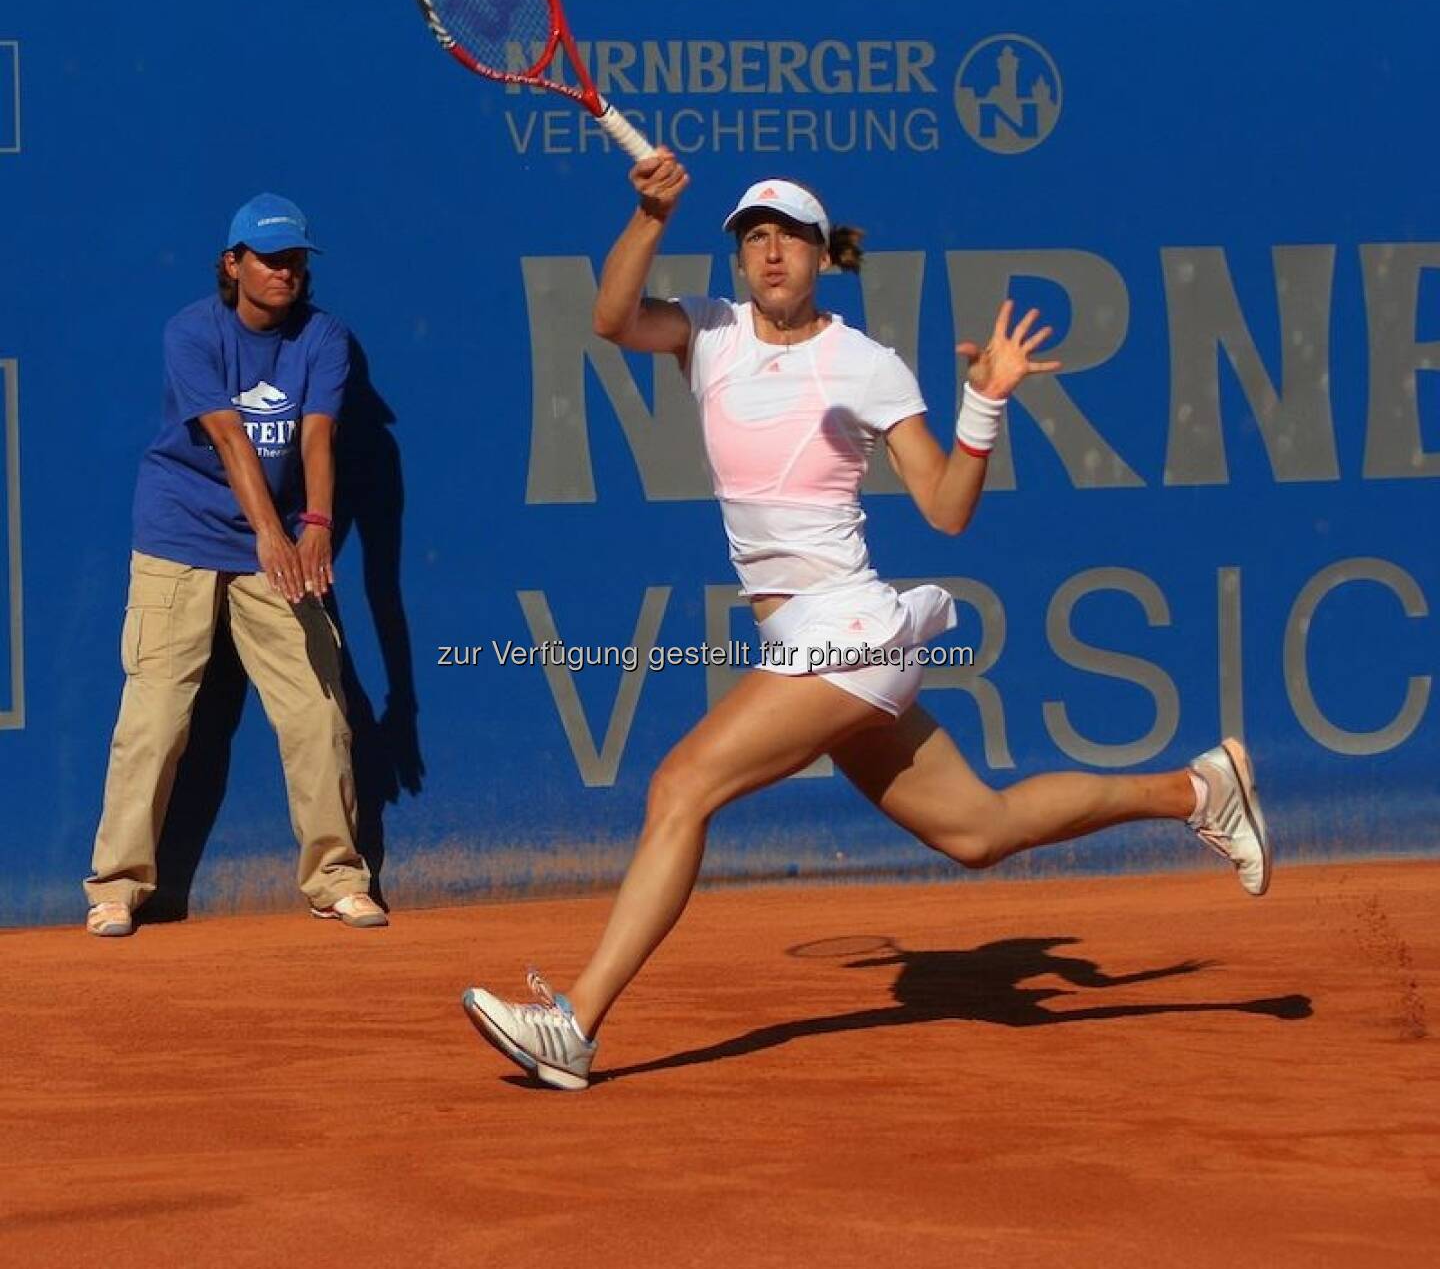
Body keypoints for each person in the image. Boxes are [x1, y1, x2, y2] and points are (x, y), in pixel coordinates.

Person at [461, 154, 1269, 1089]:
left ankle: (575, 1025)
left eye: (789, 238)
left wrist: (984, 403)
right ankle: (1198, 791)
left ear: (820, 255)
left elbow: (947, 508)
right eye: (753, 237)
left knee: (681, 787)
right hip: (808, 638)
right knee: (979, 831)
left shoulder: (865, 364)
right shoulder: (709, 334)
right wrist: (647, 218)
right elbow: (609, 319)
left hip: (846, 628)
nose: (770, 253)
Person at [83, 193, 387, 937]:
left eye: (295, 260)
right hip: (179, 538)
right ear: (234, 264)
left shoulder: (324, 338)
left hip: (276, 541)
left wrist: (314, 524)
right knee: (154, 718)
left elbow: (317, 440)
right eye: (270, 258)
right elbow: (228, 440)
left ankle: (336, 879)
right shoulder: (192, 332)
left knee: (318, 712)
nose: (285, 272)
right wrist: (273, 536)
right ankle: (117, 887)